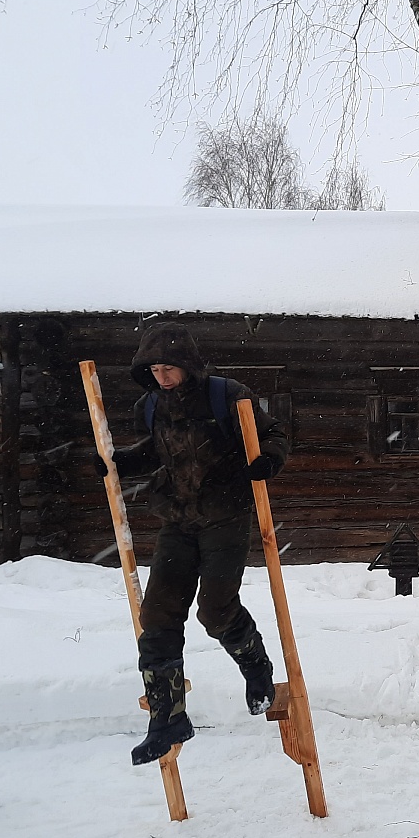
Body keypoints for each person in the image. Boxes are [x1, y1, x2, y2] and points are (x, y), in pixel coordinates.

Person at [98, 321, 289, 766]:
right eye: (156, 369)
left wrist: (268, 459)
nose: (163, 376)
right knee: (157, 616)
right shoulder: (150, 406)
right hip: (177, 520)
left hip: (225, 516)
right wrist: (118, 462)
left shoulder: (227, 395)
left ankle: (255, 666)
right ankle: (167, 719)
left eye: (170, 368)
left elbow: (274, 434)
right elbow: (158, 451)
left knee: (216, 609)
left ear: (188, 367)